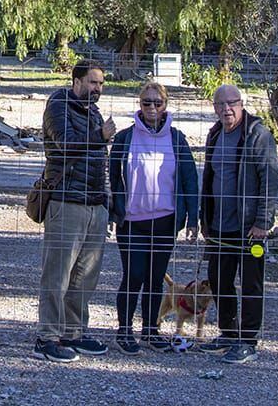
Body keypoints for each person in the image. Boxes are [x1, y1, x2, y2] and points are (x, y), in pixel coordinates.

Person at [108, 80, 199, 354]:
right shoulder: (125, 138)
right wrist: (115, 210)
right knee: (133, 276)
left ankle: (150, 330)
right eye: (146, 102)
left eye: (157, 103)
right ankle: (125, 331)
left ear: (165, 105)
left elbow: (189, 179)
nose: (151, 108)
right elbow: (114, 176)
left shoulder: (177, 138)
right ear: (140, 104)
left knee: (155, 277)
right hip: (132, 221)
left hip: (165, 220)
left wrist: (192, 217)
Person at [34, 60, 116, 364]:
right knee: (57, 273)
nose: (98, 89)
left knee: (85, 276)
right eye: (93, 82)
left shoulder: (91, 111)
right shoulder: (59, 105)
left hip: (94, 203)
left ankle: (74, 332)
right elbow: (64, 145)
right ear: (76, 81)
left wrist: (106, 199)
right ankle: (47, 336)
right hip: (66, 201)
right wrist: (100, 136)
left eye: (101, 84)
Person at [200, 83, 278, 364]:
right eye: (220, 105)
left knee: (250, 283)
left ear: (241, 103)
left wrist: (262, 221)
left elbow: (270, 180)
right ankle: (229, 333)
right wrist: (205, 220)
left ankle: (248, 340)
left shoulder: (257, 135)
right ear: (214, 108)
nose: (226, 109)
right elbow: (209, 179)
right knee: (219, 280)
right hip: (219, 226)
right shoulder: (216, 133)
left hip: (249, 229)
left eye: (231, 103)